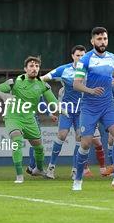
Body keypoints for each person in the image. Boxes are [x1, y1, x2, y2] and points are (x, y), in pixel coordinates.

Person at [72, 27, 114, 191]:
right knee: (86, 143)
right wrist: (90, 91)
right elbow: (76, 84)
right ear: (92, 41)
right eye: (99, 39)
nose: (103, 42)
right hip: (89, 107)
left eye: (105, 38)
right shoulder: (85, 60)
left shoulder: (113, 58)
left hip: (108, 105)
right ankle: (78, 178)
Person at [0, 56, 61, 183]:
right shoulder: (15, 82)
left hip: (29, 118)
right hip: (13, 116)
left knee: (39, 148)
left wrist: (63, 110)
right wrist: (3, 95)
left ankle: (38, 169)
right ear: (25, 69)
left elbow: (54, 102)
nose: (34, 69)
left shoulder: (42, 85)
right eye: (31, 66)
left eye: (37, 66)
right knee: (17, 139)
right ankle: (19, 175)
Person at [41, 45, 107, 179]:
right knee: (62, 135)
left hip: (83, 111)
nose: (80, 58)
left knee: (80, 139)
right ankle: (51, 168)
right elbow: (45, 77)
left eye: (83, 55)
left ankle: (75, 170)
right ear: (73, 56)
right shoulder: (64, 69)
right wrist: (35, 81)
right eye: (78, 55)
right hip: (67, 109)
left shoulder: (91, 71)